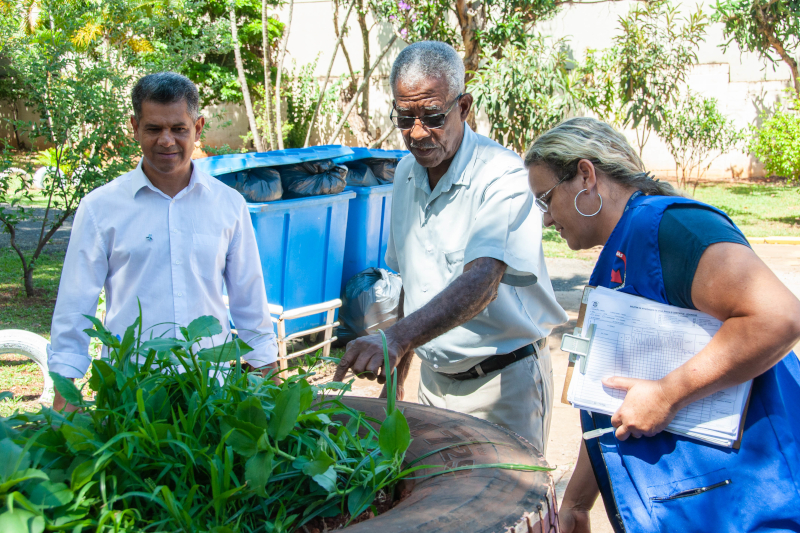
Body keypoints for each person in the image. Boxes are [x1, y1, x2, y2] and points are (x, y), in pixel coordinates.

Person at [525, 117, 800, 532]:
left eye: (546, 199)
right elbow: (614, 397)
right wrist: (578, 502)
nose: (546, 219)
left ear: (585, 176)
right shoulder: (617, 255)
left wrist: (669, 394)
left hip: (747, 507)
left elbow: (778, 317)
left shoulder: (667, 226)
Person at [332, 41, 568, 453]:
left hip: (502, 385)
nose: (418, 132)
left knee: (502, 512)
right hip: (434, 382)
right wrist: (399, 374)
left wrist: (397, 338)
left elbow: (483, 281)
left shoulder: (504, 176)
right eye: (405, 118)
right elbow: (411, 281)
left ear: (464, 107)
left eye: (433, 116)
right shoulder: (406, 173)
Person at [49, 72, 279, 410]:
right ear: (135, 127)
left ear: (198, 128)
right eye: (154, 129)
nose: (166, 141)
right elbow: (75, 305)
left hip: (210, 391)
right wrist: (64, 391)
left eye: (178, 128)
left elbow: (249, 299)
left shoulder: (228, 205)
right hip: (129, 392)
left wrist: (267, 373)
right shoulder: (101, 208)